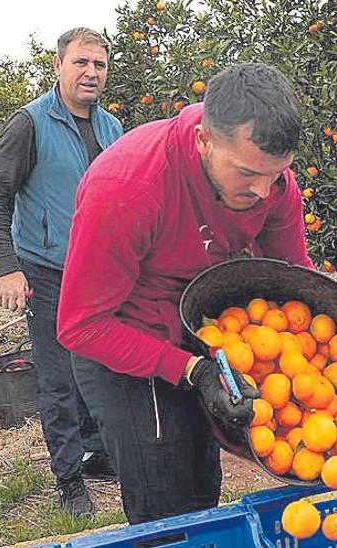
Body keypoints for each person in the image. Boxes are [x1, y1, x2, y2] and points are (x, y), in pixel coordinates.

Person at [56, 63, 311, 524]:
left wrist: (334, 321)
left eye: (276, 175)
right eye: (248, 174)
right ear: (204, 140)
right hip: (120, 336)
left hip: (192, 328)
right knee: (163, 498)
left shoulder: (270, 183)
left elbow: (293, 277)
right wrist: (191, 370)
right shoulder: (127, 189)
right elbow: (80, 326)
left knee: (201, 483)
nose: (263, 190)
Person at [0, 27, 121, 516]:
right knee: (58, 378)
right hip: (45, 271)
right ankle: (68, 479)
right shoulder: (30, 123)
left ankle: (99, 452)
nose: (90, 73)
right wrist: (7, 269)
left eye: (99, 65)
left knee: (100, 368)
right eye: (81, 63)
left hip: (97, 274)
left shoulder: (112, 128)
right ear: (58, 66)